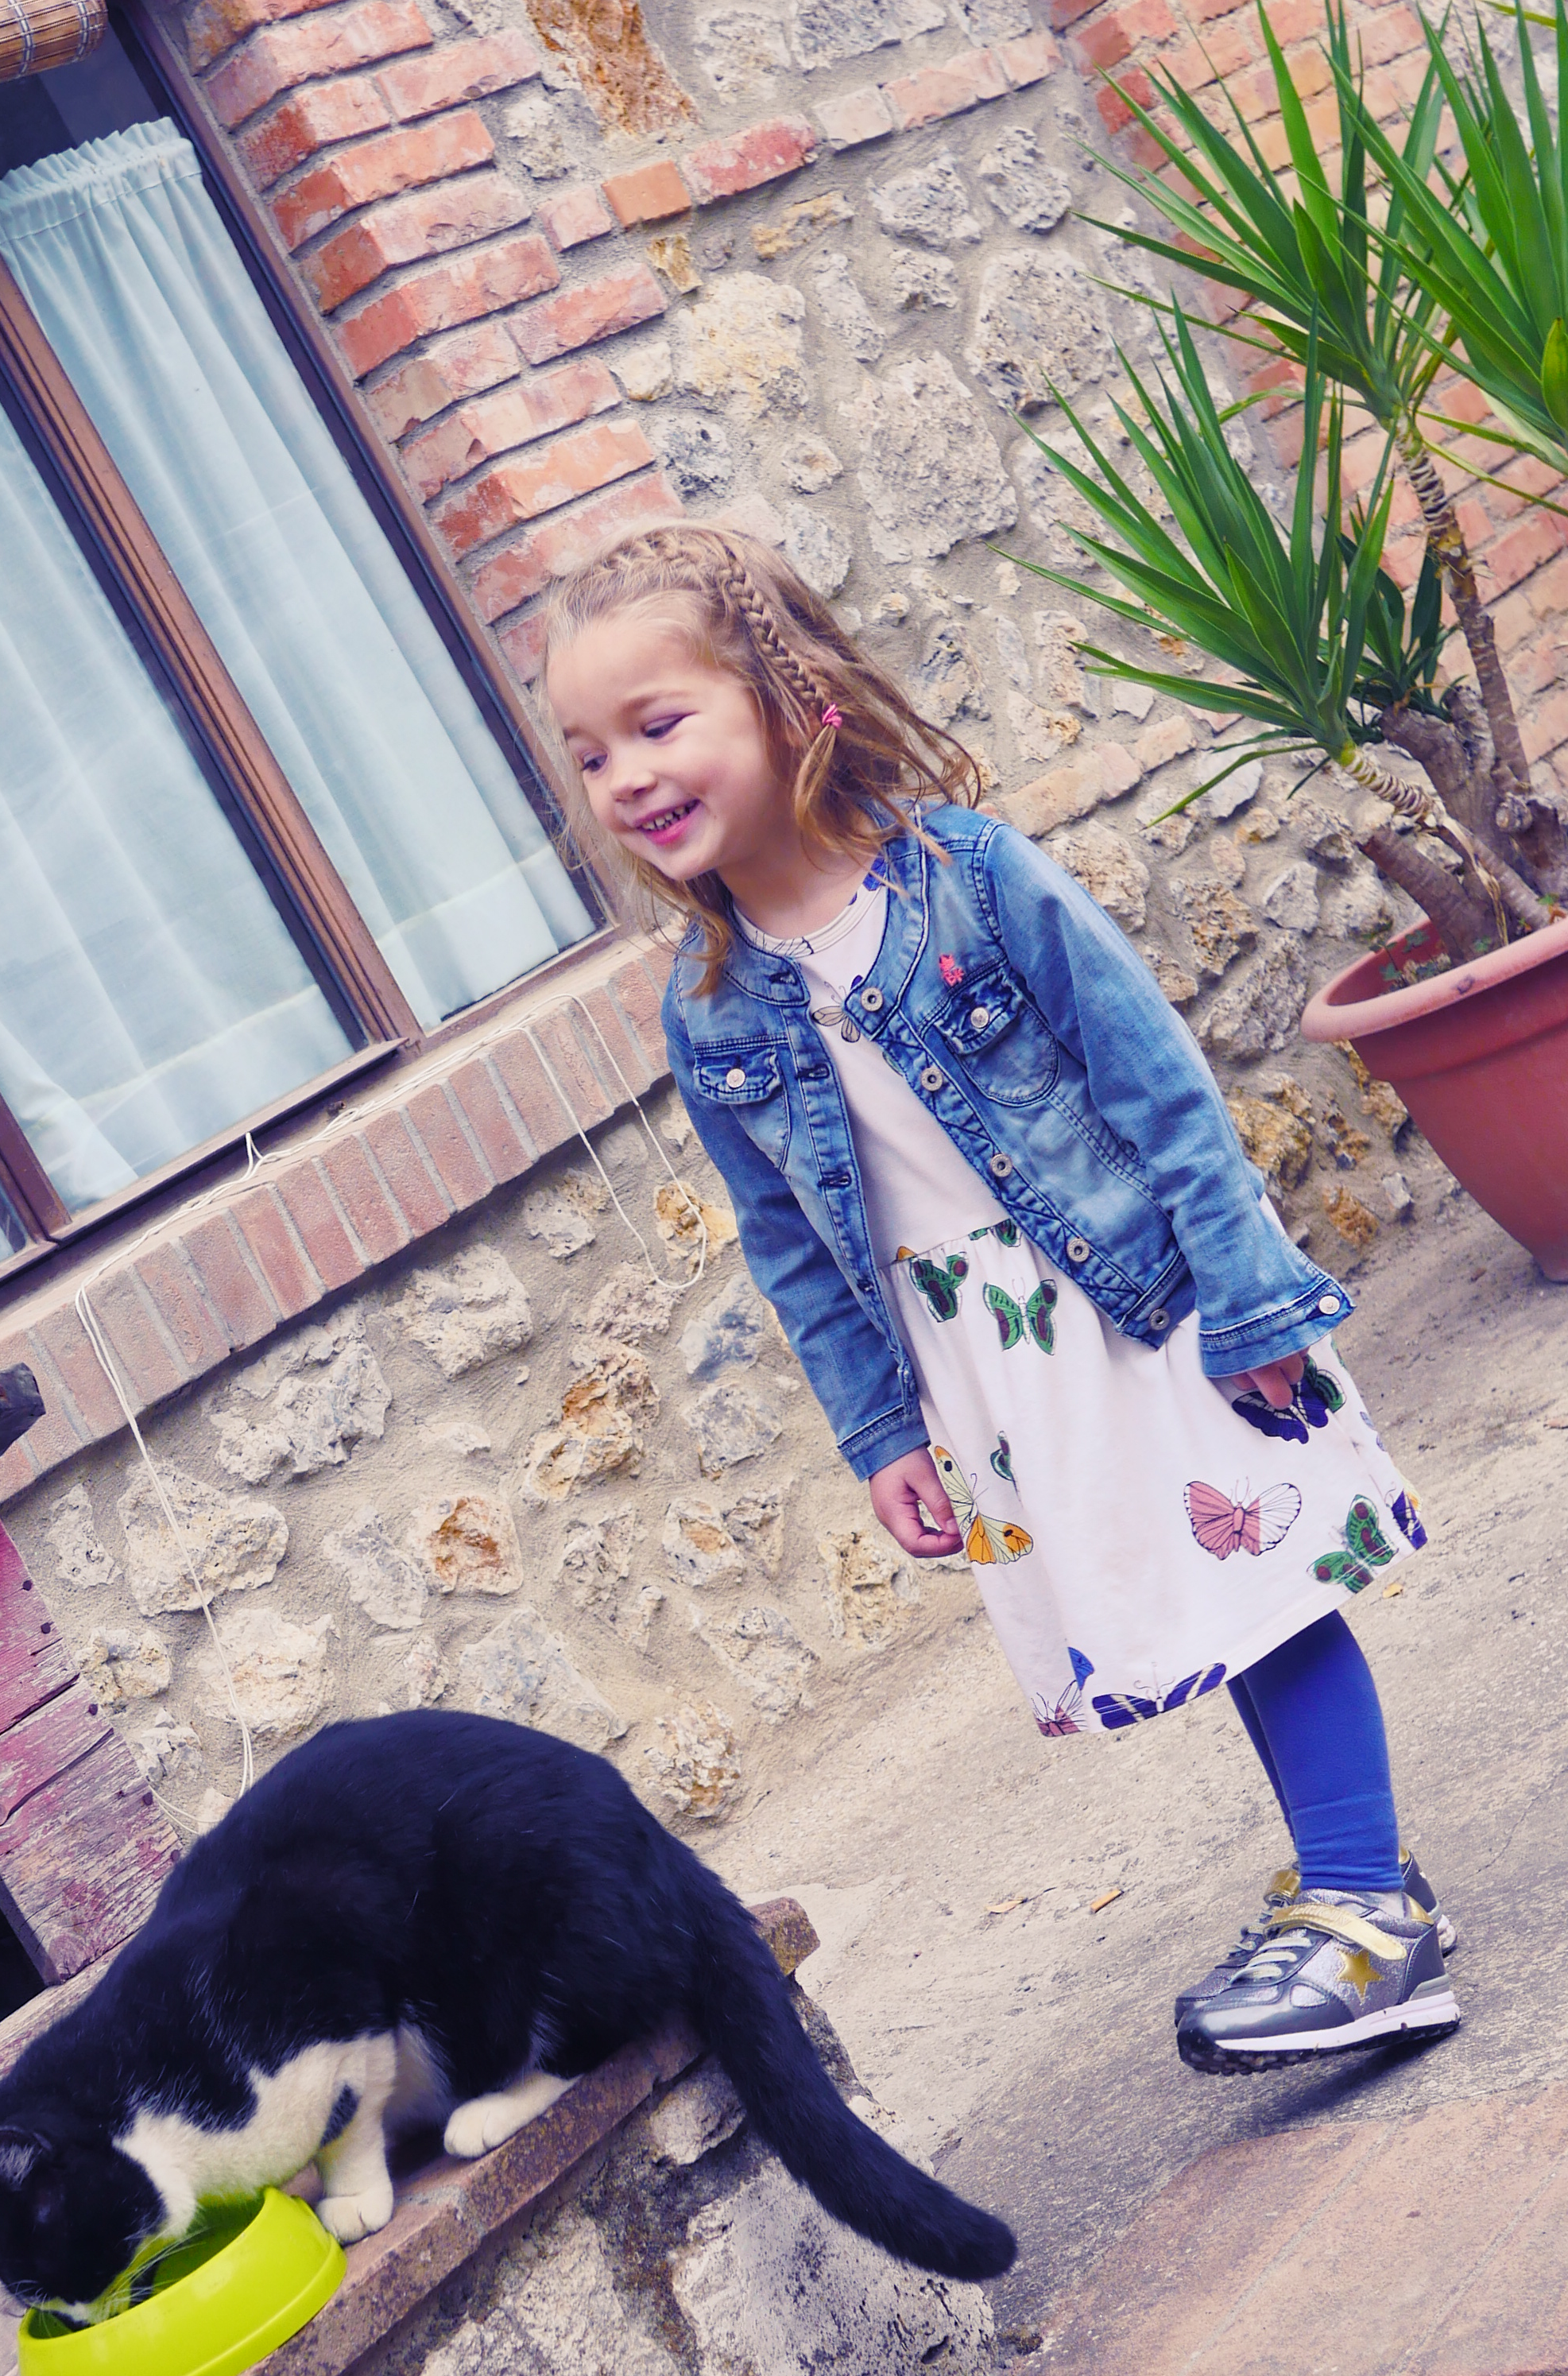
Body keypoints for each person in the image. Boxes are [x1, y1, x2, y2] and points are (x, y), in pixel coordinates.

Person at [542, 519, 1458, 2072]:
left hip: (1142, 1299)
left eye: (656, 724)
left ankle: (1371, 1908)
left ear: (792, 699)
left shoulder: (968, 877)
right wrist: (881, 1431)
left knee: (1266, 1588)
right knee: (1212, 1604)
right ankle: (1356, 1884)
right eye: (588, 756)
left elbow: (1160, 1089)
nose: (623, 777)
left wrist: (1246, 1301)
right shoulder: (712, 1009)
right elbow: (788, 1247)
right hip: (994, 1364)